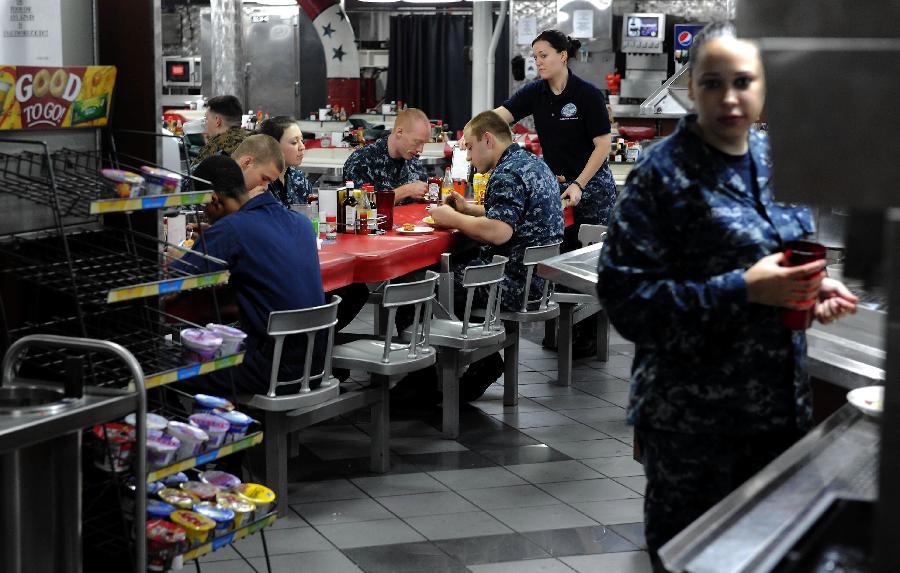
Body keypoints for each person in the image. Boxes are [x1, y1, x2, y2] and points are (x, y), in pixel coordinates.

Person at [594, 22, 858, 572]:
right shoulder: (660, 176)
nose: (730, 97)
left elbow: (784, 258)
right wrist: (742, 289)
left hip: (779, 416)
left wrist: (810, 290)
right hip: (695, 426)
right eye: (713, 82)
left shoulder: (777, 160)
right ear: (692, 87)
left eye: (744, 81)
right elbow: (627, 301)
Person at [494, 29, 616, 357]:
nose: (538, 62)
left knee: (588, 264)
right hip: (559, 187)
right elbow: (500, 118)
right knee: (561, 258)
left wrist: (579, 184)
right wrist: (478, 131)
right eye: (535, 57)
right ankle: (565, 330)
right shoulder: (535, 92)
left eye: (544, 55)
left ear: (563, 55)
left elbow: (603, 145)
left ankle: (588, 336)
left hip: (593, 188)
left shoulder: (587, 95)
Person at [430, 110, 564, 401]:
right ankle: (473, 359)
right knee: (452, 274)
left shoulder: (505, 173)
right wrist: (467, 211)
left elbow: (499, 232)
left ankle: (467, 364)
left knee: (426, 289)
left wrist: (451, 218)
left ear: (487, 140)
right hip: (539, 280)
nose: (467, 157)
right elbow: (514, 213)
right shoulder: (531, 163)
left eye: (468, 147)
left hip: (511, 283)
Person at [170, 155, 326, 395]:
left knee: (163, 365)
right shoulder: (300, 222)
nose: (205, 213)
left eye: (203, 207)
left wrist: (175, 259)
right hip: (315, 366)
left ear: (214, 199)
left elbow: (173, 283)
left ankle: (202, 429)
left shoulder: (230, 230)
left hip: (269, 371)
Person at [342, 107, 429, 204]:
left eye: (423, 144)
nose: (420, 150)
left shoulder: (414, 161)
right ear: (399, 132)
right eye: (417, 142)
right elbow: (358, 204)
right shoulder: (362, 160)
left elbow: (425, 199)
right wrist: (406, 191)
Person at [256, 115, 314, 208]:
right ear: (273, 146)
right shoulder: (259, 184)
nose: (302, 147)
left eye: (302, 140)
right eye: (294, 142)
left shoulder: (299, 179)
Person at [192, 95, 251, 166]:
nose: (205, 124)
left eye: (206, 119)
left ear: (217, 121)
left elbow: (193, 173)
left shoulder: (215, 146)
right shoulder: (252, 141)